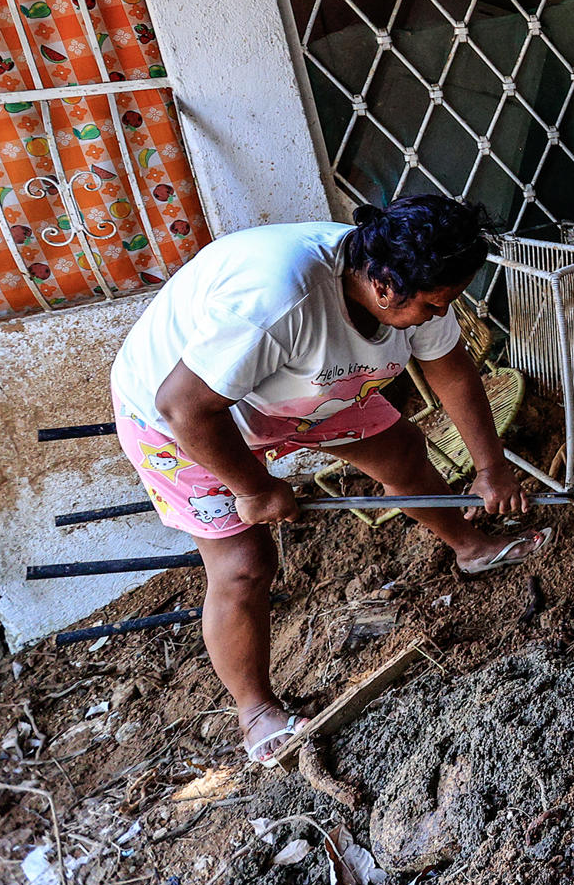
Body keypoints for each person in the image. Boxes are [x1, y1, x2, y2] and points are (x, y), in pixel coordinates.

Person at [108, 195, 548, 766]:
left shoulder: (408, 276)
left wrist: (491, 467)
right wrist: (255, 487)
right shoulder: (280, 298)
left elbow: (451, 369)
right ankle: (256, 712)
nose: (441, 315)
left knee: (405, 456)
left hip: (304, 392)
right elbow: (184, 407)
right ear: (385, 287)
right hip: (182, 418)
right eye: (436, 305)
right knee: (243, 565)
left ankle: (471, 547)